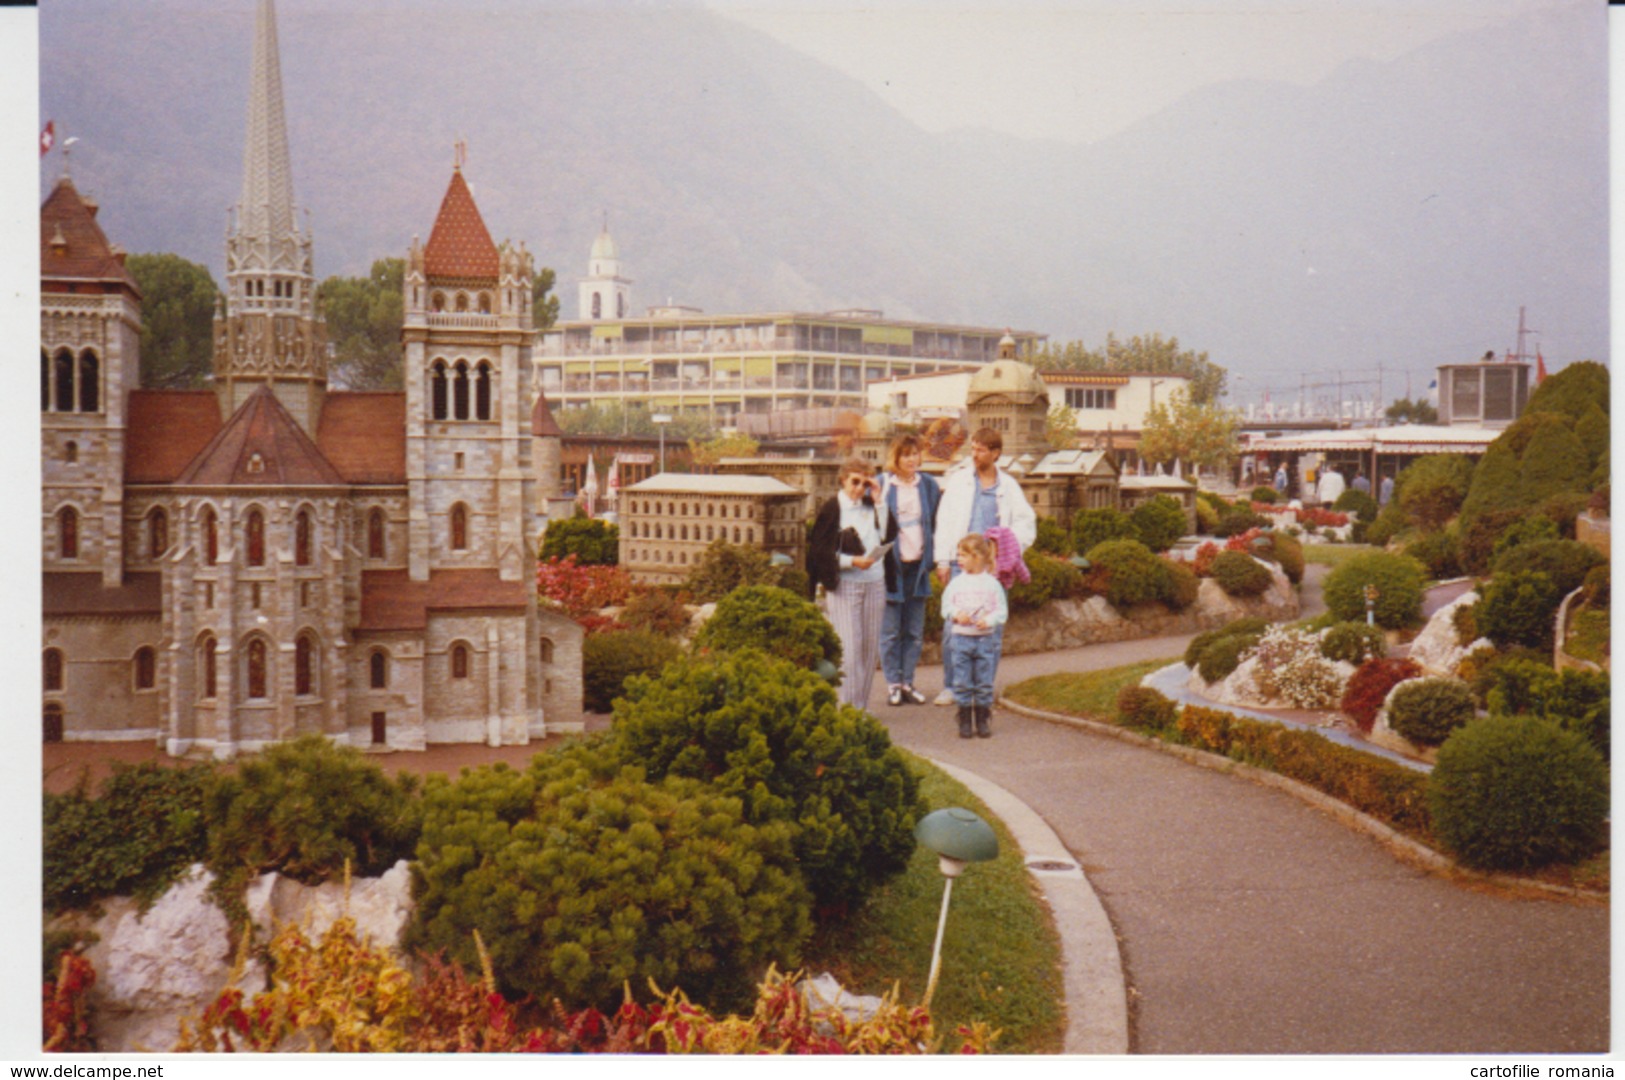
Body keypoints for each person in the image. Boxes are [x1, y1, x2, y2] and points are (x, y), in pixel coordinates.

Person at [931, 428, 1036, 706]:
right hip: (960, 564)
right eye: (973, 449)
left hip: (993, 569)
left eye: (980, 450)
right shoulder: (959, 481)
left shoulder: (1009, 486)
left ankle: (983, 688)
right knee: (954, 627)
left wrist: (1010, 549)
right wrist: (942, 560)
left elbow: (1026, 523)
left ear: (995, 453)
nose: (974, 455)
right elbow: (944, 520)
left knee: (992, 629)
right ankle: (953, 686)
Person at [807, 458, 889, 710]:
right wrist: (851, 561)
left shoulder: (871, 504)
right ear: (843, 480)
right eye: (855, 481)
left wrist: (879, 500)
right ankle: (845, 709)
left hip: (874, 583)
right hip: (845, 586)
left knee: (867, 652)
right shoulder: (832, 509)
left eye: (865, 483)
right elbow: (818, 554)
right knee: (849, 654)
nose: (859, 488)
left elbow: (889, 535)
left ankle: (860, 709)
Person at [877, 434, 940, 707]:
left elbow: (935, 520)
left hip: (918, 566)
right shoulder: (883, 485)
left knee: (914, 631)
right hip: (892, 567)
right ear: (896, 458)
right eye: (906, 455)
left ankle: (907, 682)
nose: (912, 460)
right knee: (891, 631)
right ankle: (893, 683)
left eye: (915, 454)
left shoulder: (927, 485)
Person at [940, 534, 1008, 738]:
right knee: (962, 681)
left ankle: (982, 717)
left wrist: (989, 620)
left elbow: (1001, 611)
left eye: (963, 555)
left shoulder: (992, 584)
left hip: (985, 640)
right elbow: (946, 607)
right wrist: (955, 614)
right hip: (961, 639)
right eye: (958, 555)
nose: (958, 559)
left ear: (977, 557)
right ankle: (964, 718)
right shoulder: (956, 583)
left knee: (983, 681)